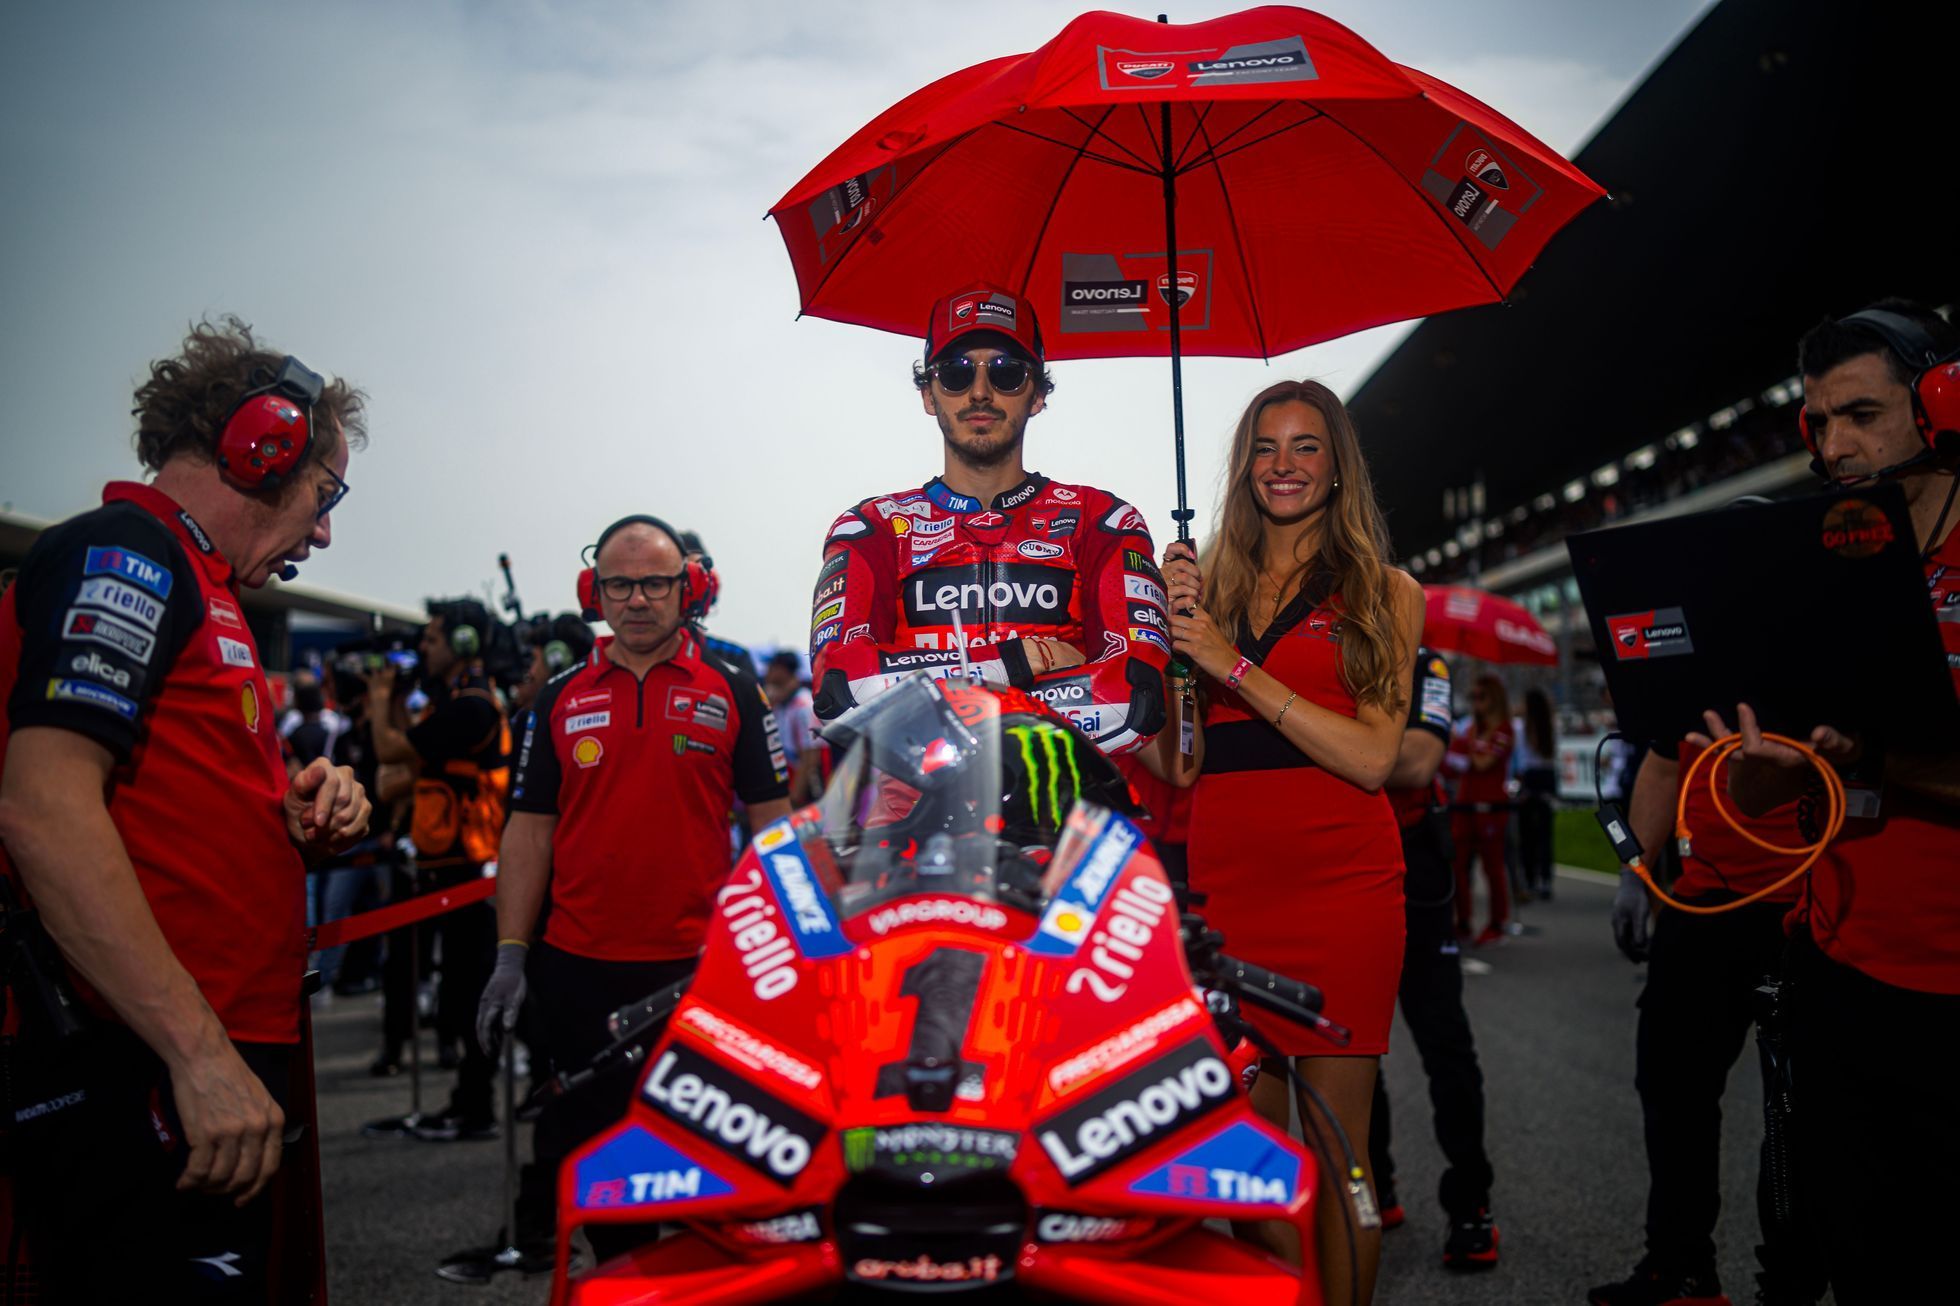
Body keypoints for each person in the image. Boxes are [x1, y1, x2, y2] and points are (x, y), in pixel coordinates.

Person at [0, 317, 371, 1301]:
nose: (326, 528)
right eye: (324, 493)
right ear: (263, 449)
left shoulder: (198, 579)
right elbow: (42, 807)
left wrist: (294, 808)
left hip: (195, 1045)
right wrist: (197, 1057)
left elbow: (160, 798)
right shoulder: (130, 554)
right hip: (152, 1056)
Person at [1689, 301, 1960, 1302]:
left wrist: (1880, 764)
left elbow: (1877, 763)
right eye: (1817, 422)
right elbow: (1768, 792)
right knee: (1856, 1259)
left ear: (1939, 406)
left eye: (1860, 415)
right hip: (1835, 976)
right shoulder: (1812, 563)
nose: (1834, 445)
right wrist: (1755, 765)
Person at [1158, 378, 1425, 1306]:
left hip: (1343, 889)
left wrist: (1230, 665)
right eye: (1265, 447)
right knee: (1245, 1159)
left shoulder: (1388, 593)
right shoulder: (1206, 590)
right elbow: (1182, 765)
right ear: (1241, 466)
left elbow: (1371, 756)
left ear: (1337, 464)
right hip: (1230, 895)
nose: (1283, 465)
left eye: (1306, 446)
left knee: (1341, 1156)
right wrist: (1169, 646)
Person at [477, 514, 791, 1265]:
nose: (638, 600)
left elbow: (776, 830)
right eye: (620, 584)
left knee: (705, 1171)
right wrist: (511, 955)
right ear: (596, 591)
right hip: (579, 970)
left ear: (688, 590)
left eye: (656, 583)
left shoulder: (737, 691)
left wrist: (782, 951)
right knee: (610, 1185)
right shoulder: (554, 699)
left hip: (699, 973)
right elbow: (527, 832)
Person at [810, 283, 1168, 755]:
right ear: (929, 395)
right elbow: (842, 688)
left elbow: (1132, 700)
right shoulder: (872, 527)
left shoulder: (1101, 521)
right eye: (957, 373)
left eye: (1008, 374)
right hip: (914, 823)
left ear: (1037, 394)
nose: (980, 391)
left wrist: (924, 690)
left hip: (1060, 817)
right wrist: (1021, 660)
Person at [1588, 737, 1818, 1306]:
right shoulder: (1692, 652)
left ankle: (1790, 1287)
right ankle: (1681, 1269)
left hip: (1806, 900)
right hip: (1705, 902)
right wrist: (1633, 874)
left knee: (1797, 1113)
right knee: (1669, 1086)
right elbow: (1664, 761)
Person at [1370, 646, 1500, 1270]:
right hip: (1342, 867)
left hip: (1417, 868)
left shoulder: (1428, 665)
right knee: (1345, 1047)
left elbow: (1420, 762)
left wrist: (1331, 747)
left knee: (1445, 1041)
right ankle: (1375, 1185)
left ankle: (1471, 1202)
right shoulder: (1313, 643)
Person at [367, 597, 508, 1140]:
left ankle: (476, 1106)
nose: (422, 649)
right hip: (446, 863)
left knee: (473, 989)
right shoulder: (452, 699)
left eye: (431, 639)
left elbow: (388, 749)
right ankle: (465, 1102)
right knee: (456, 987)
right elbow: (404, 763)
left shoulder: (472, 705)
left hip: (469, 868)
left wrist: (381, 698)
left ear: (465, 643)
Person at [1450, 674, 1514, 945]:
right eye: (1473, 697)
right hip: (1464, 806)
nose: (1476, 703)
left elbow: (1484, 763)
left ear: (1494, 699)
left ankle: (1497, 922)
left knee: (1492, 867)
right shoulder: (1471, 731)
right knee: (1457, 865)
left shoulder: (1504, 731)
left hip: (1491, 808)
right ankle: (1462, 921)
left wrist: (1464, 747)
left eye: (1481, 697)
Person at [763, 649, 825, 806]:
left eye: (771, 667)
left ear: (783, 671)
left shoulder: (803, 704)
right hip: (790, 780)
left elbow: (811, 756)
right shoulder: (781, 702)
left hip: (808, 791)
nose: (767, 672)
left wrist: (794, 798)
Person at [1514, 686, 1558, 899]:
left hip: (1530, 777)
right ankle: (1545, 878)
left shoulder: (1522, 726)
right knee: (1544, 832)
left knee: (1527, 833)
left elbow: (1521, 757)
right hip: (1547, 778)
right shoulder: (1550, 725)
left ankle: (1531, 878)